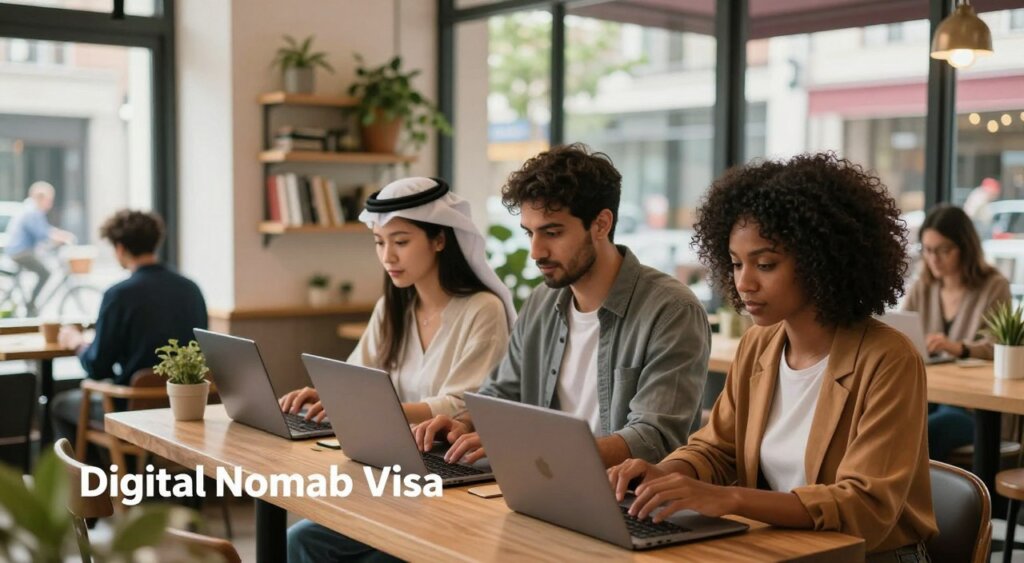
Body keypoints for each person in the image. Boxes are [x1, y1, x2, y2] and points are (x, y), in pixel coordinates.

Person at [607, 153, 937, 560]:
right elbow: (716, 449)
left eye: (765, 264)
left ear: (821, 261)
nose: (744, 282)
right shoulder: (758, 345)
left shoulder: (888, 359)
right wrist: (664, 473)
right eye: (735, 263)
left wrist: (731, 500)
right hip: (782, 547)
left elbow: (864, 506)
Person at [413, 143, 709, 469]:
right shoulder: (543, 300)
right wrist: (465, 423)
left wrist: (538, 451)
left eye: (552, 233)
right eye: (529, 234)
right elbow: (502, 394)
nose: (536, 252)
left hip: (629, 498)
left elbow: (654, 437)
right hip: (544, 480)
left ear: (601, 224)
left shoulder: (672, 311)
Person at [283, 177, 515, 563]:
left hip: (450, 479)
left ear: (440, 239)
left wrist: (376, 412)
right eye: (380, 242)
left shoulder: (482, 310)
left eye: (401, 242)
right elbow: (356, 380)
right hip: (389, 474)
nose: (388, 256)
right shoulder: (392, 309)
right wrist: (328, 396)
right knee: (300, 541)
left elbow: (463, 404)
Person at [51, 210, 208, 445]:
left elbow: (98, 367)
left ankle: (101, 476)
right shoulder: (191, 289)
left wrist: (76, 343)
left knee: (61, 405)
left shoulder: (119, 295)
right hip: (186, 409)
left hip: (132, 410)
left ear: (120, 248)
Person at [903, 204, 1011, 461]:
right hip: (929, 398)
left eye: (944, 250)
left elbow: (1002, 347)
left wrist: (958, 347)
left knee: (923, 432)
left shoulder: (993, 286)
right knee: (897, 426)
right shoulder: (923, 286)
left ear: (965, 248)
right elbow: (898, 329)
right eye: (927, 250)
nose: (934, 259)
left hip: (974, 409)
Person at [3, 181, 76, 316]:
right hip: (20, 252)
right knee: (45, 273)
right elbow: (42, 233)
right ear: (40, 198)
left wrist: (59, 235)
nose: (50, 204)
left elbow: (45, 230)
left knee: (43, 269)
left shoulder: (31, 209)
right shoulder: (32, 211)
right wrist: (61, 238)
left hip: (20, 251)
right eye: (49, 200)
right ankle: (31, 305)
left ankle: (30, 305)